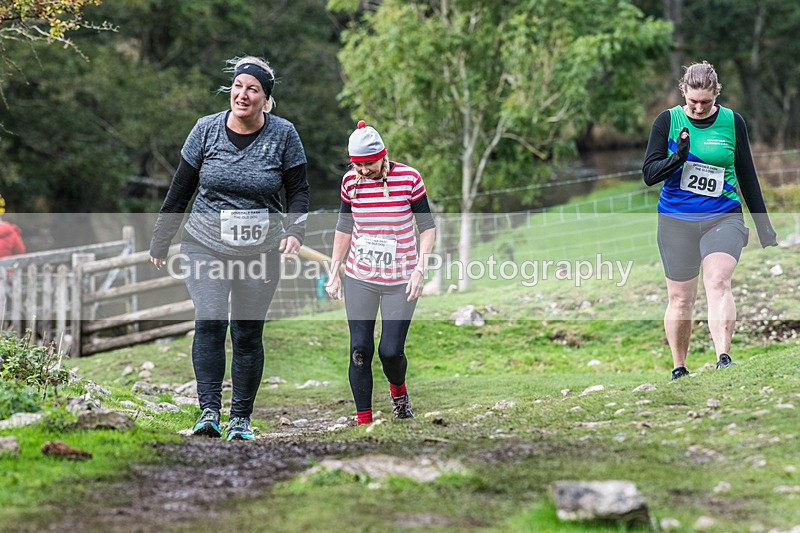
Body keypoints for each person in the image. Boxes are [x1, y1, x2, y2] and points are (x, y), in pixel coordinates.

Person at [149, 56, 310, 439]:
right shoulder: (205, 130)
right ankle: (208, 412)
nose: (243, 94)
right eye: (238, 86)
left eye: (253, 89)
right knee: (210, 320)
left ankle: (241, 419)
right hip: (204, 244)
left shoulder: (284, 135)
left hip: (261, 250)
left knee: (247, 332)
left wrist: (295, 231)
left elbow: (299, 191)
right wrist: (161, 237)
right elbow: (180, 189)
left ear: (265, 99)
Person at [642, 60, 778, 381]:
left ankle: (724, 357)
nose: (700, 108)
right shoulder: (668, 121)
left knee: (717, 282)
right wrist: (678, 158)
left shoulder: (732, 122)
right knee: (680, 299)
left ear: (717, 92)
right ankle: (679, 367)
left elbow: (747, 175)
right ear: (683, 92)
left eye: (706, 101)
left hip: (723, 216)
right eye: (693, 101)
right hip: (676, 221)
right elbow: (649, 174)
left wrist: (764, 225)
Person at [326, 121, 436, 425]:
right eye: (357, 164)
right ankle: (364, 422)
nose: (363, 170)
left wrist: (420, 269)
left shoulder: (409, 179)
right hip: (360, 277)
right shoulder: (350, 182)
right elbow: (344, 228)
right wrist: (334, 271)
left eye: (369, 163)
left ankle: (399, 394)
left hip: (401, 280)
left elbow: (426, 228)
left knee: (390, 351)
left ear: (383, 155)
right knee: (359, 349)